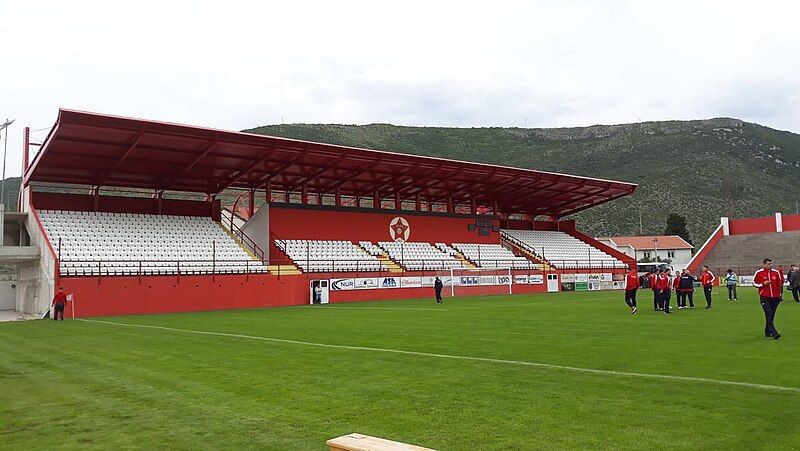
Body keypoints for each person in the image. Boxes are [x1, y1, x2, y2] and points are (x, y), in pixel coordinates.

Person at [753, 258, 784, 339]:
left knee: (771, 315)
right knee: (768, 314)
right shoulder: (759, 273)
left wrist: (779, 295)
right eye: (769, 264)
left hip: (775, 298)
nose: (771, 265)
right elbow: (754, 283)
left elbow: (779, 284)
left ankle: (767, 332)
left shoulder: (775, 272)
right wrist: (763, 284)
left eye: (771, 264)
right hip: (765, 297)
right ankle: (774, 333)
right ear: (764, 264)